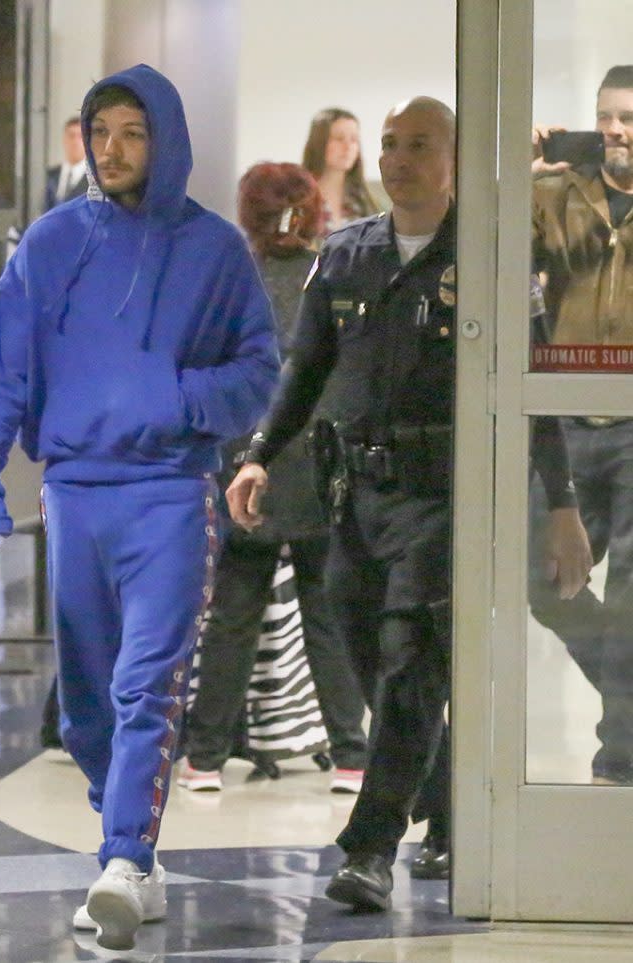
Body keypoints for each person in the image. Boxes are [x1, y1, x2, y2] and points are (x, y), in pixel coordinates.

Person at [227, 96, 592, 911]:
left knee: (410, 660)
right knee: (369, 656)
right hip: (352, 495)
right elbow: (304, 369)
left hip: (443, 497)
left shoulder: (492, 256)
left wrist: (561, 504)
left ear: (454, 158)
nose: (396, 160)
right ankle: (455, 805)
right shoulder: (347, 253)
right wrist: (258, 457)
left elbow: (536, 386)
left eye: (417, 145)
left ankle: (369, 848)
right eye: (388, 145)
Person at [0, 64, 278, 950]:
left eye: (133, 133)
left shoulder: (214, 250)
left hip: (172, 494)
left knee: (146, 684)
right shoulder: (50, 245)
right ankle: (130, 843)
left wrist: (176, 401)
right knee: (88, 705)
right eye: (101, 132)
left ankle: (126, 855)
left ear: (164, 140)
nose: (113, 149)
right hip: (74, 498)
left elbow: (259, 374)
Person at [179, 162, 368, 794]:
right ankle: (350, 754)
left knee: (234, 615)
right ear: (313, 213)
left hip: (247, 465)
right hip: (317, 463)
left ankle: (204, 759)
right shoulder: (333, 276)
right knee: (328, 615)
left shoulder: (232, 284)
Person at [529, 64, 633, 786]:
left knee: (630, 593)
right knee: (544, 580)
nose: (614, 130)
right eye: (605, 116)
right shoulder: (560, 195)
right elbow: (489, 250)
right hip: (566, 419)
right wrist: (519, 174)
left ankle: (620, 753)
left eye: (626, 117)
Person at [301, 107, 379, 243]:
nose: (348, 146)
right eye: (339, 138)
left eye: (354, 139)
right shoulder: (298, 198)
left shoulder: (364, 202)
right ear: (319, 142)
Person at [43, 115, 88, 211]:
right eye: (71, 136)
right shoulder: (48, 175)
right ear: (64, 139)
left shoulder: (96, 180)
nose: (75, 142)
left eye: (80, 137)